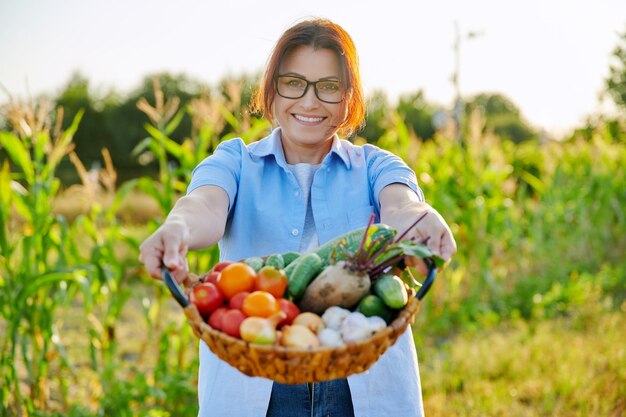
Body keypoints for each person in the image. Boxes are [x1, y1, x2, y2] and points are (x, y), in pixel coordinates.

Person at [139, 18, 456, 417]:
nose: (309, 102)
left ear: (348, 98)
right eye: (293, 82)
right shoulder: (235, 162)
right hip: (256, 382)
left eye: (329, 87)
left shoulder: (376, 166)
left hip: (362, 383)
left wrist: (419, 219)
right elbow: (203, 204)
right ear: (271, 89)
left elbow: (402, 205)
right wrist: (177, 228)